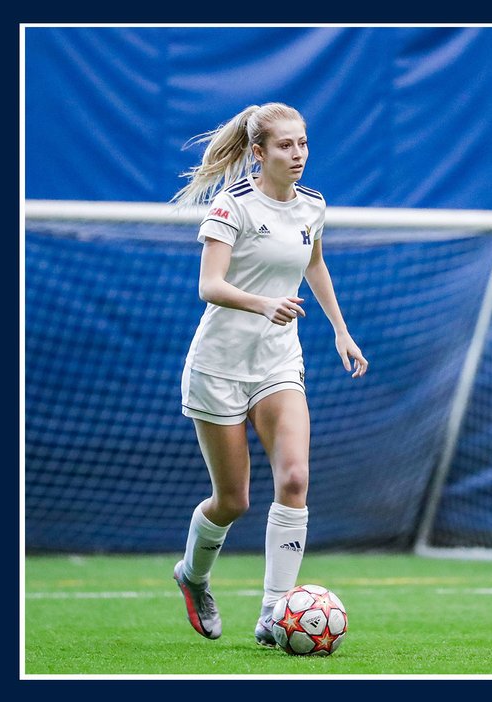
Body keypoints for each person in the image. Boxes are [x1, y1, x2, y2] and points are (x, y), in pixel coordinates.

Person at [169, 102, 368, 645]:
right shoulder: (233, 206)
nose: (298, 154)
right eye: (285, 145)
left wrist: (340, 330)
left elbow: (315, 264)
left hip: (279, 362)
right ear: (258, 153)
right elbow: (209, 285)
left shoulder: (313, 206)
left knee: (296, 479)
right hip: (219, 366)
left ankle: (274, 613)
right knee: (232, 500)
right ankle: (193, 575)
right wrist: (262, 303)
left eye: (303, 143)